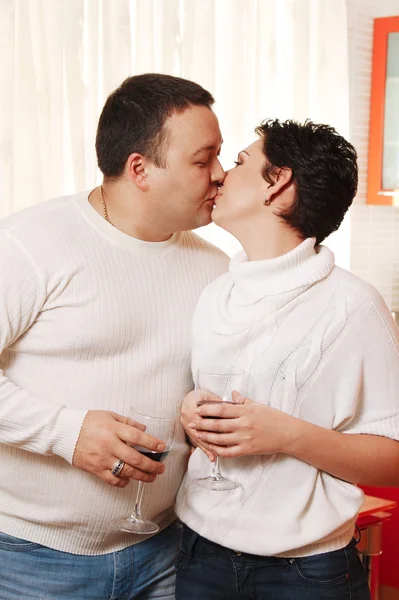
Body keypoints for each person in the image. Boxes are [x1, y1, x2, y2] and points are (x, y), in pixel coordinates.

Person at [0, 73, 228, 599]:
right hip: (31, 561)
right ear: (140, 168)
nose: (220, 175)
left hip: (168, 550)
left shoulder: (217, 269)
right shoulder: (30, 245)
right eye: (203, 159)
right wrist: (65, 431)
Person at [176, 119, 399, 600]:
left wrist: (286, 435)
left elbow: (394, 461)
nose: (218, 175)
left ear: (278, 184)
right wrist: (192, 410)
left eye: (238, 163)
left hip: (305, 574)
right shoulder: (215, 293)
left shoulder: (354, 307)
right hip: (200, 554)